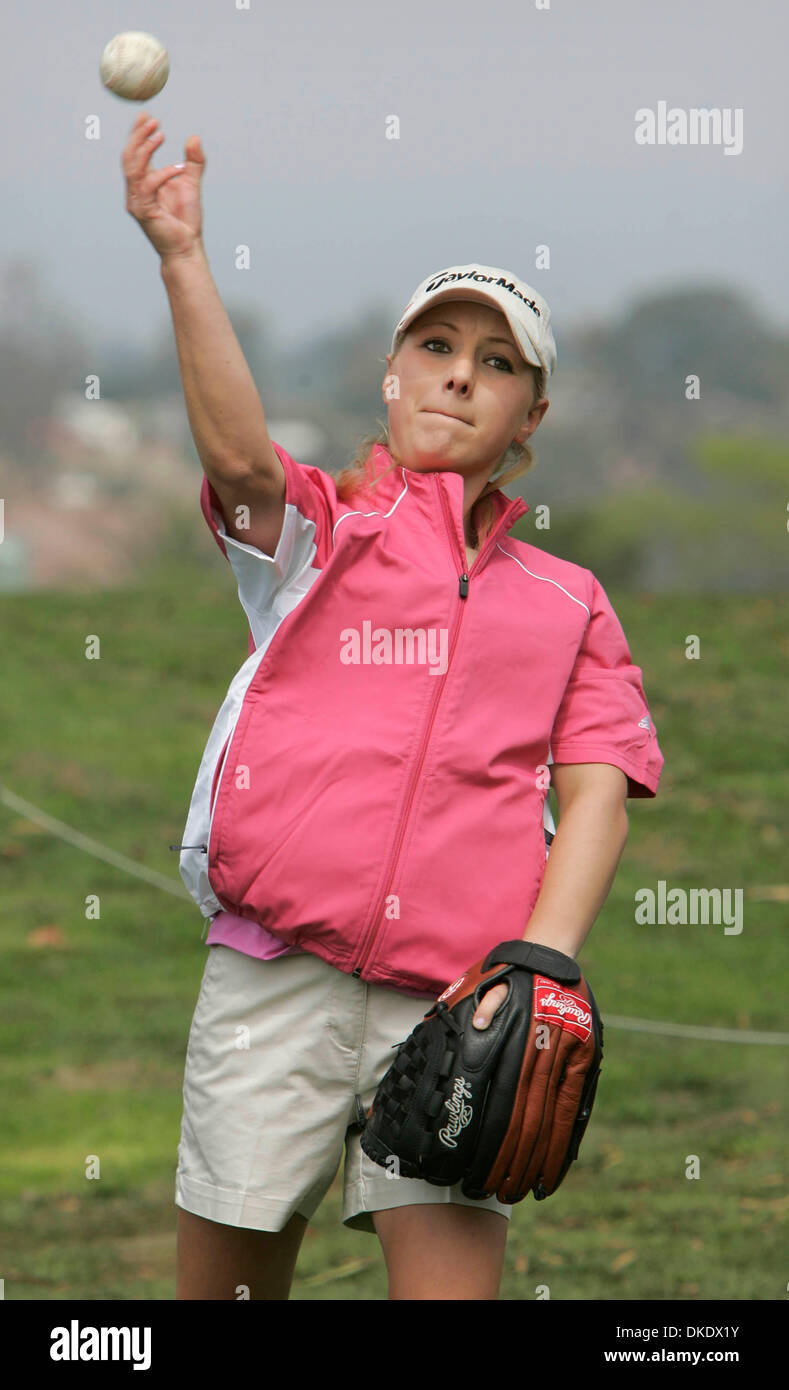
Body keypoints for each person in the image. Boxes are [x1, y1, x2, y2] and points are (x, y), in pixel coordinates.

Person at [122, 113, 664, 1301]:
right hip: (276, 977)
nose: (461, 371)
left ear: (531, 420)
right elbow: (240, 463)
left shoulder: (569, 600)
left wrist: (539, 969)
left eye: (498, 360)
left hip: (459, 1009)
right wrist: (181, 258)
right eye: (435, 344)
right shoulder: (322, 532)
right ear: (393, 372)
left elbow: (599, 792)